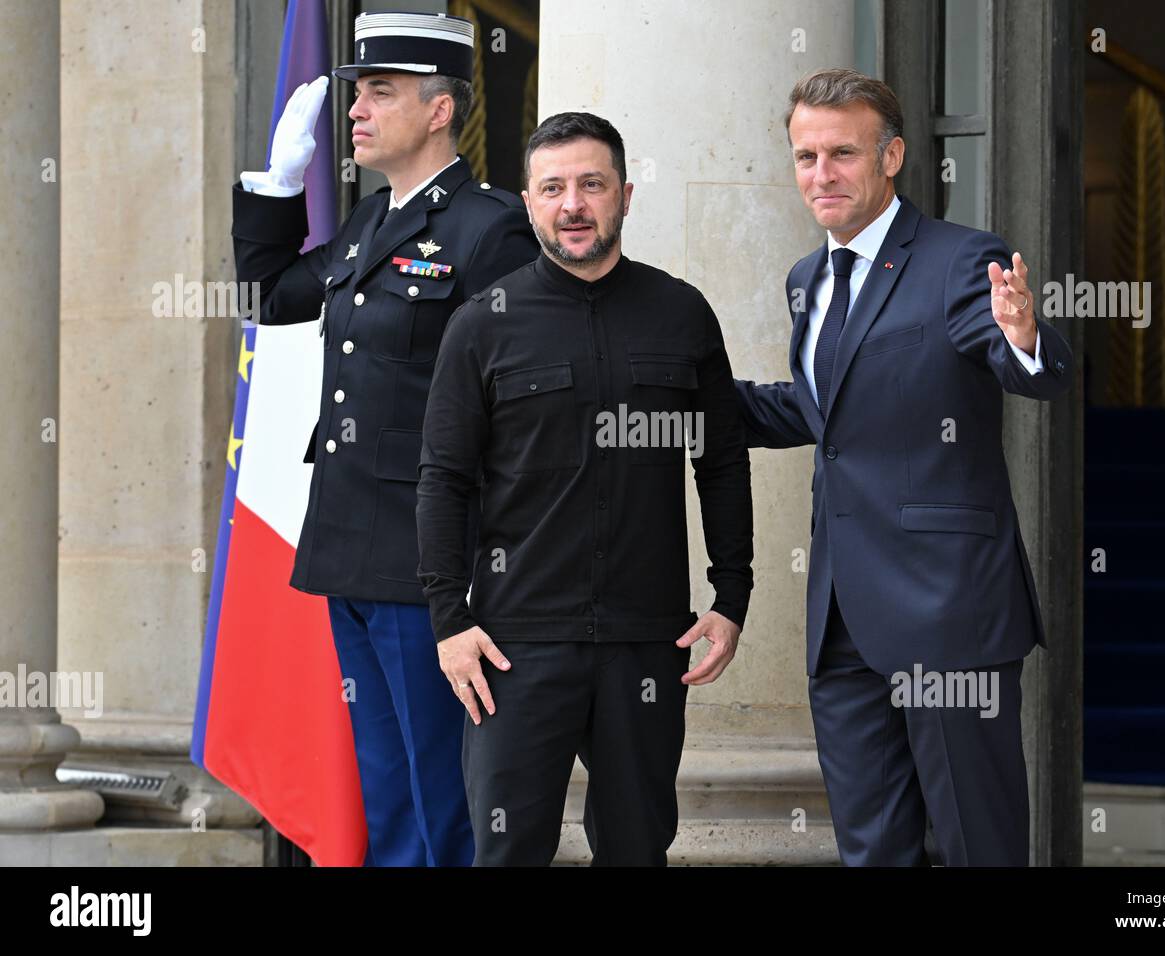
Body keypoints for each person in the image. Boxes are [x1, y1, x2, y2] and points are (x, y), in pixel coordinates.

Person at [733, 69, 1074, 866]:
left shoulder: (962, 260)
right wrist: (682, 394)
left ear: (892, 157)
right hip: (842, 620)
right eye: (806, 156)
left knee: (974, 844)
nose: (822, 174)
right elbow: (827, 416)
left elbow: (1031, 370)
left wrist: (1024, 334)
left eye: (842, 154)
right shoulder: (806, 280)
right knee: (872, 849)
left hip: (947, 609)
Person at [230, 11, 538, 866]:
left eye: (381, 92)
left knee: (445, 798)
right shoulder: (369, 225)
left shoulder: (490, 230)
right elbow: (267, 297)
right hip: (349, 546)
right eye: (357, 91)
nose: (356, 110)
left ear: (440, 110)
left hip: (429, 557)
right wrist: (276, 188)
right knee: (389, 790)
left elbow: (516, 409)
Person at [417, 112, 754, 866]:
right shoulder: (481, 326)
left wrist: (732, 595)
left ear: (625, 196)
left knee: (637, 851)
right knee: (507, 853)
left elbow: (722, 461)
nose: (573, 203)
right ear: (529, 203)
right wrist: (448, 619)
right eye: (553, 188)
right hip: (514, 646)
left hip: (646, 642)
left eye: (592, 184)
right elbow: (441, 478)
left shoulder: (683, 313)